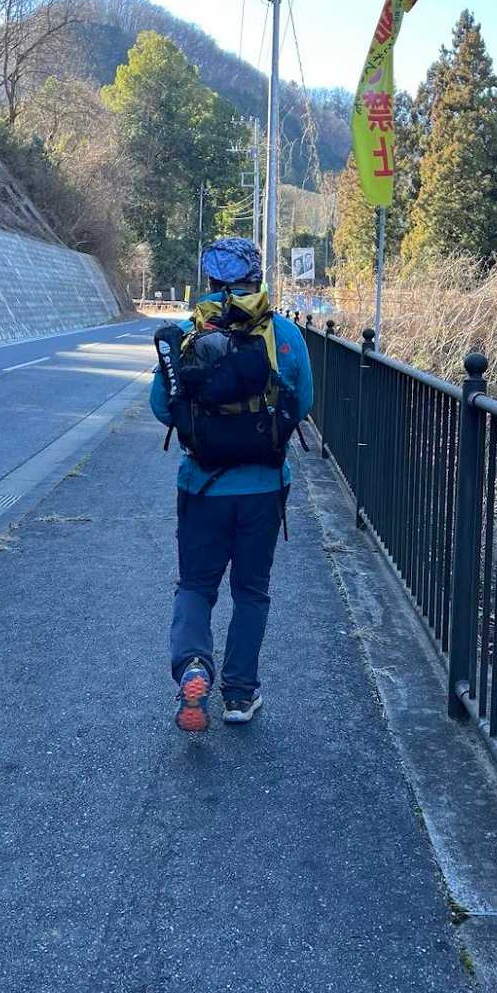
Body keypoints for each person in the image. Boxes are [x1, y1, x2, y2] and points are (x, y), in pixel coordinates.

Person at [150, 236, 312, 732]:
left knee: (196, 585)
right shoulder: (283, 333)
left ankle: (193, 666)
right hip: (264, 486)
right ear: (256, 279)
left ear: (210, 280)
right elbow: (302, 403)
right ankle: (240, 694)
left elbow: (162, 408)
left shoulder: (186, 332)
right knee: (251, 590)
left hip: (201, 485)